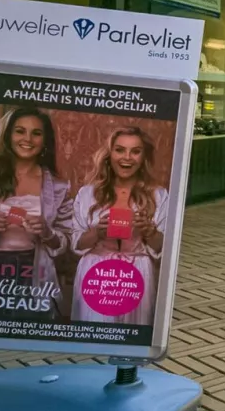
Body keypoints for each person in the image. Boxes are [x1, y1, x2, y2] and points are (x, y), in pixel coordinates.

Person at [0, 106, 71, 318]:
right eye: (20, 131)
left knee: (32, 333)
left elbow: (65, 242)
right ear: (8, 135)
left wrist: (47, 232)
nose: (27, 138)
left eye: (36, 133)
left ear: (45, 141)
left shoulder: (58, 187)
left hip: (35, 270)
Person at [70, 127, 168, 326]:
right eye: (120, 150)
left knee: (132, 337)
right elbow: (77, 244)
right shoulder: (87, 194)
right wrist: (96, 232)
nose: (127, 158)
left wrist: (150, 232)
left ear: (143, 157)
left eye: (135, 151)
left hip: (137, 272)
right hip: (96, 273)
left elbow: (163, 247)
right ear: (109, 154)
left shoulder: (158, 195)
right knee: (94, 335)